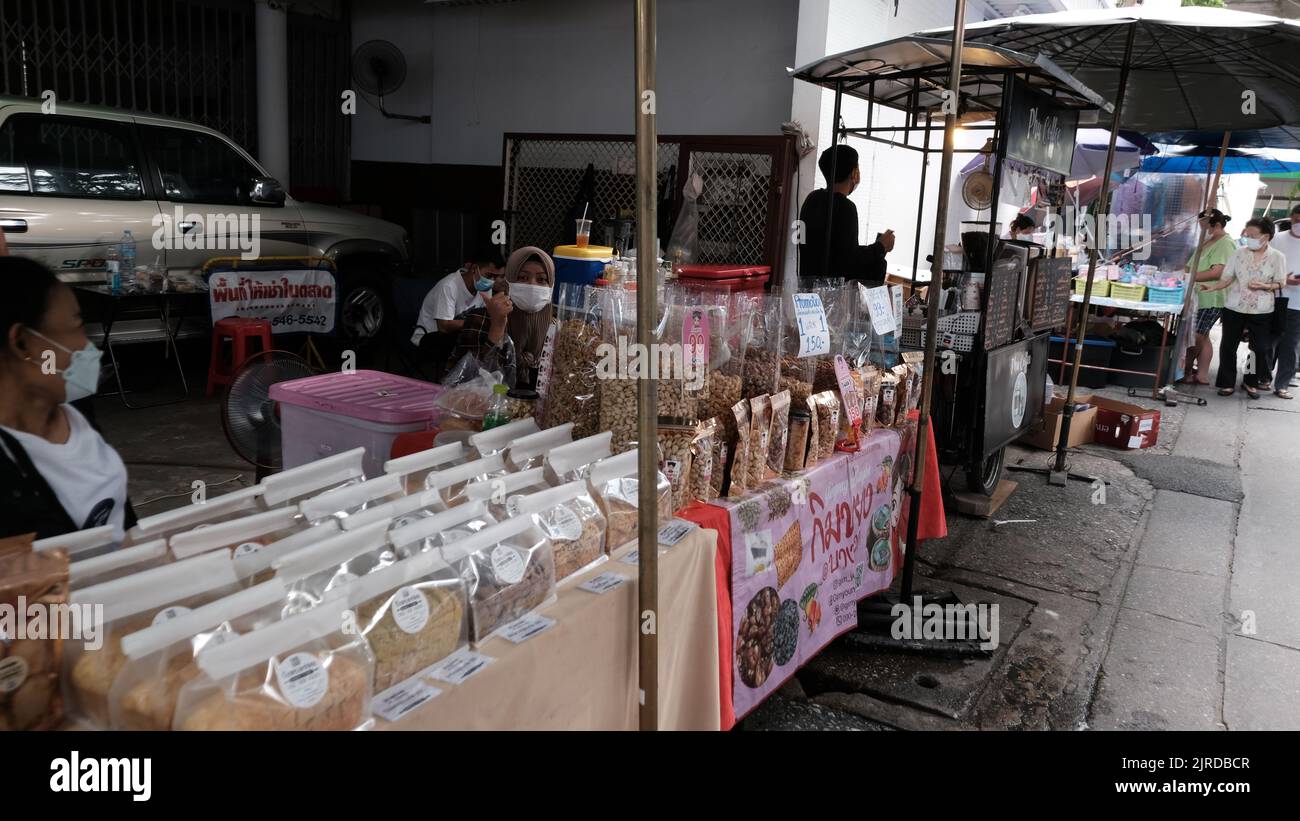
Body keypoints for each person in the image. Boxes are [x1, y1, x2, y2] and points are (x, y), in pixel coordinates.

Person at [0, 257, 135, 540]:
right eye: (77, 327)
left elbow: (122, 519)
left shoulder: (75, 409)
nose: (87, 347)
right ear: (22, 342)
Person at [1201, 217, 1289, 400]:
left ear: (1266, 236)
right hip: (1234, 306)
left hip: (1262, 309)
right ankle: (1226, 382)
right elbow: (1226, 278)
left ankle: (1250, 381)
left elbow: (1281, 283)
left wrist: (1264, 286)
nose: (1249, 238)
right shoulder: (1238, 253)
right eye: (1247, 234)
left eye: (1253, 235)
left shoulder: (1277, 257)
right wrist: (1213, 287)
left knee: (1259, 348)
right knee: (1228, 345)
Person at [445, 246, 556, 390]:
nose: (532, 285)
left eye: (541, 279)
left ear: (551, 286)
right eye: (523, 277)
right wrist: (497, 327)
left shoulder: (556, 329)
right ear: (508, 281)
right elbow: (464, 381)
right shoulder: (481, 318)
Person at [798, 145, 894, 284]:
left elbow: (832, 249)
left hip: (807, 287)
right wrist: (880, 246)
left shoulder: (812, 199)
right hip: (830, 294)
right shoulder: (846, 208)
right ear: (854, 174)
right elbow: (848, 261)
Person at [411, 246, 504, 380]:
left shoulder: (484, 287)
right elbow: (443, 326)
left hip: (459, 337)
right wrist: (474, 322)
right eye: (490, 276)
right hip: (432, 337)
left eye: (497, 277)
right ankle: (461, 381)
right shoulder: (449, 286)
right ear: (474, 269)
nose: (493, 281)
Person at [1181, 209, 1237, 385]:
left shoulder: (1226, 243)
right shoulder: (1208, 241)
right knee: (1203, 336)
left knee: (1197, 335)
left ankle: (1187, 370)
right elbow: (1190, 266)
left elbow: (1217, 272)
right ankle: (1202, 374)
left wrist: (1190, 277)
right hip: (1198, 295)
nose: (1203, 230)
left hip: (1211, 296)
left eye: (1205, 227)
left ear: (1217, 225)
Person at [1270, 204, 1300, 399]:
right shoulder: (1277, 239)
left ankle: (1282, 384)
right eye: (1297, 220)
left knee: (1291, 345)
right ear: (1291, 218)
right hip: (1273, 299)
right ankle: (1254, 377)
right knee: (1262, 343)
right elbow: (1264, 264)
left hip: (1298, 304)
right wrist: (1283, 280)